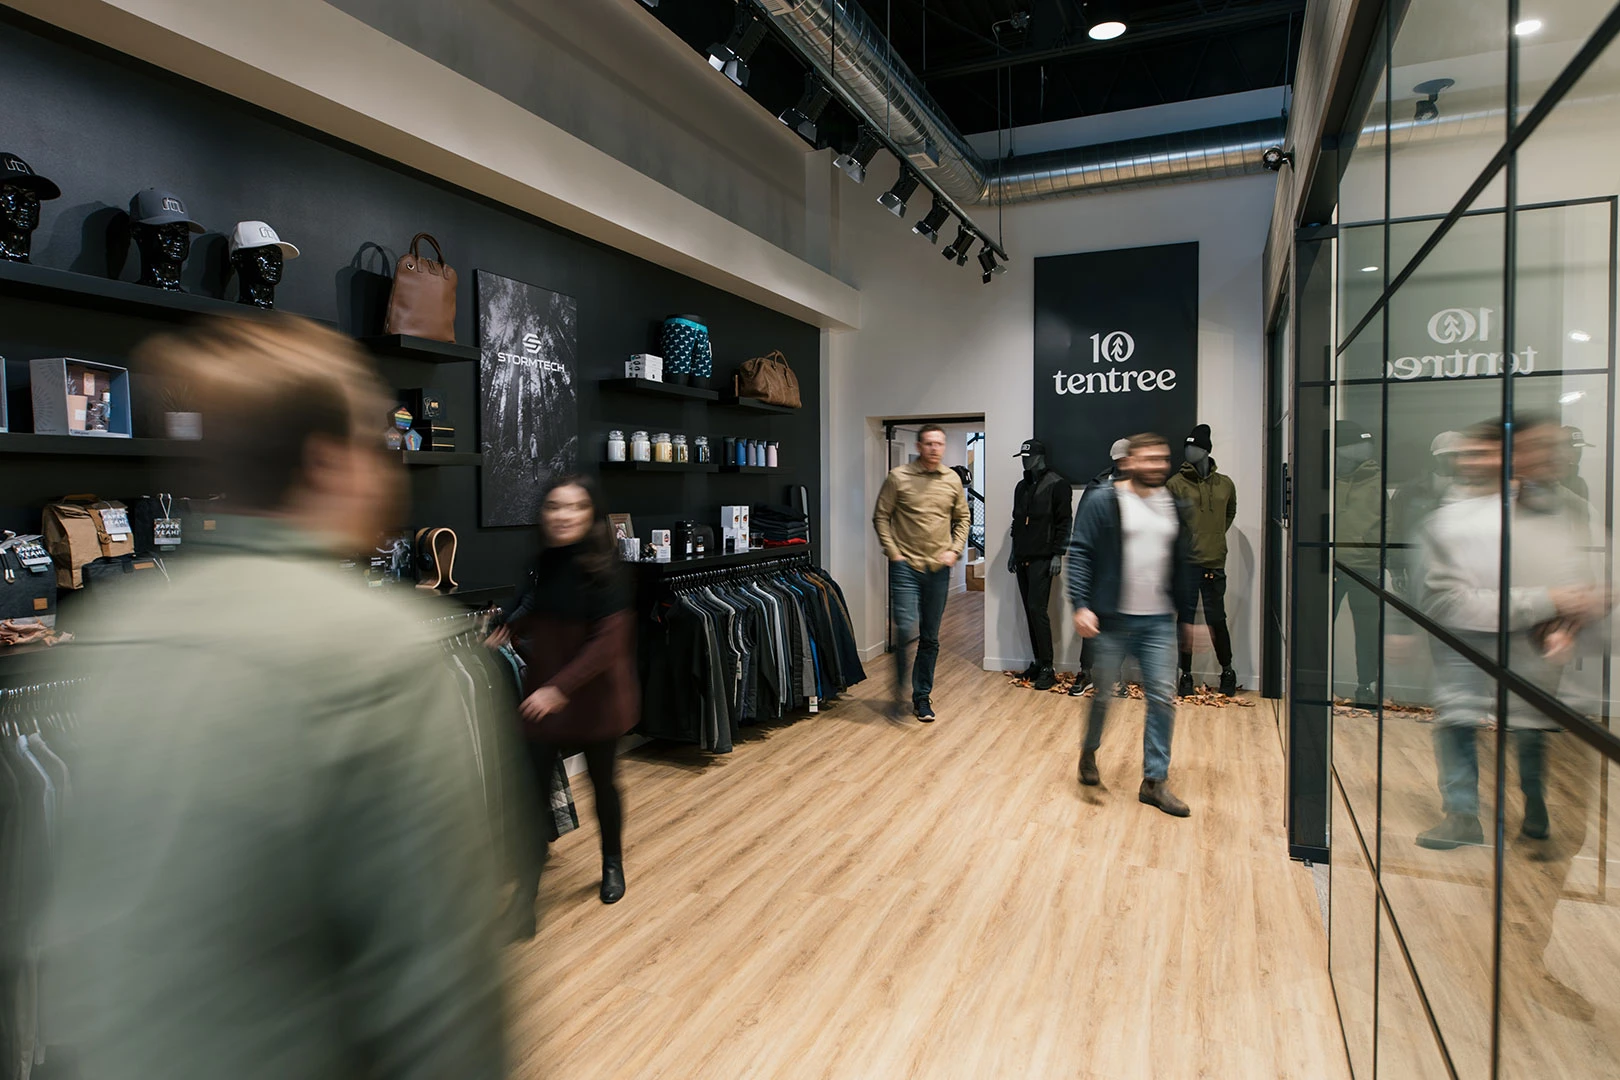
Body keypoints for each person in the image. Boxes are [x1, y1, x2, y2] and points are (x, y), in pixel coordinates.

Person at [43, 316, 506, 1079]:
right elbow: (440, 984)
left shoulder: (116, 632)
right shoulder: (378, 651)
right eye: (372, 442)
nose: (386, 467)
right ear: (327, 462)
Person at [1415, 416, 1608, 850]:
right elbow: (1446, 599)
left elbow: (1575, 576)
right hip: (1466, 639)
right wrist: (1550, 600)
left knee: (1528, 723)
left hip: (1527, 636)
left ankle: (1533, 803)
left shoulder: (1561, 508)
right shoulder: (1450, 516)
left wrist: (1567, 620)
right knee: (1459, 721)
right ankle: (1462, 814)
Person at [488, 476, 637, 930]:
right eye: (554, 506)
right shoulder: (543, 563)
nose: (563, 515)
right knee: (531, 797)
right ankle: (525, 899)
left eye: (575, 507)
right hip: (543, 698)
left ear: (590, 515)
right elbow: (534, 605)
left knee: (602, 784)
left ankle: (612, 861)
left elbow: (607, 644)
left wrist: (560, 689)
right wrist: (506, 625)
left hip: (594, 698)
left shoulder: (608, 569)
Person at [1066, 433, 1198, 817]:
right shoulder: (1103, 500)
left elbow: (1183, 562)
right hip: (1111, 618)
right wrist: (1081, 605)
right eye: (1149, 458)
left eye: (1163, 458)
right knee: (1104, 694)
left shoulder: (1172, 502)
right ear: (1128, 461)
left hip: (1158, 620)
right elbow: (1080, 553)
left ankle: (1154, 782)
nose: (1158, 465)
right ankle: (1089, 752)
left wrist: (1187, 618)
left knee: (1161, 698)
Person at [873, 424, 970, 723]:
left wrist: (954, 550)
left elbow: (963, 517)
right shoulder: (898, 478)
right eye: (928, 443)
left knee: (930, 637)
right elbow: (881, 516)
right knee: (904, 629)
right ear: (918, 445)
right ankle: (899, 686)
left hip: (938, 569)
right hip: (906, 566)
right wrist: (893, 552)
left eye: (939, 444)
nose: (934, 448)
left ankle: (921, 696)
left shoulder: (952, 479)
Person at [1166, 424, 1238, 697]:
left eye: (1193, 446)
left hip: (1215, 562)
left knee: (1217, 619)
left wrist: (1216, 534)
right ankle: (1185, 673)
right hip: (1187, 565)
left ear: (1206, 450)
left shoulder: (1225, 484)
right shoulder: (1175, 484)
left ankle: (1227, 670)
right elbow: (1169, 524)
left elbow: (1230, 512)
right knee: (1185, 620)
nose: (1188, 451)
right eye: (1186, 446)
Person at [1008, 439, 1072, 691]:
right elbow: (1016, 522)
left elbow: (1064, 522)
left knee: (1038, 610)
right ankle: (1037, 661)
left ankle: (1048, 666)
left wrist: (1058, 554)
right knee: (1030, 610)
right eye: (1022, 457)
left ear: (1040, 457)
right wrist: (1013, 552)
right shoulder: (1021, 487)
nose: (1025, 460)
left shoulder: (1057, 484)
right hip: (1023, 556)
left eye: (1028, 456)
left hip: (1043, 558)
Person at [1069, 438, 1131, 697]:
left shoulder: (1139, 488)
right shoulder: (1097, 486)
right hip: (1098, 564)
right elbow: (1082, 524)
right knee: (1091, 621)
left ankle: (1114, 676)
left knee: (1120, 623)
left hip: (1126, 566)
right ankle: (1086, 672)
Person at [1334, 423, 1382, 702]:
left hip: (1365, 567)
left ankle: (1367, 686)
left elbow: (1386, 524)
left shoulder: (1375, 481)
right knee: (1317, 629)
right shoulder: (1327, 480)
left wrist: (1380, 559)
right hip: (1331, 568)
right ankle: (1315, 681)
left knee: (1366, 631)